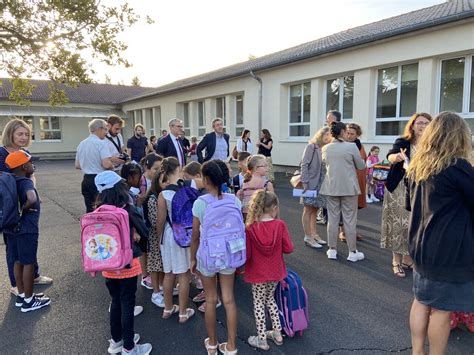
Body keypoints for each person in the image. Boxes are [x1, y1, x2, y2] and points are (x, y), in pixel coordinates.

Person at [405, 112, 474, 355]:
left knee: (422, 301)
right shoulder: (458, 167)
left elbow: (409, 204)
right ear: (460, 136)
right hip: (448, 249)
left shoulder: (418, 166)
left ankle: (416, 351)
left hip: (420, 245)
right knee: (442, 310)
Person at [93, 171, 152, 355]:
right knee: (128, 303)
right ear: (119, 187)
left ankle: (116, 341)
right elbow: (144, 231)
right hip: (127, 264)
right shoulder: (126, 207)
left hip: (108, 265)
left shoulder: (97, 210)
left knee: (116, 301)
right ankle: (129, 347)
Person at [190, 160, 241, 355]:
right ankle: (231, 346)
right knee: (229, 299)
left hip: (208, 256)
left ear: (206, 179)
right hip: (230, 254)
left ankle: (212, 344)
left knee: (211, 299)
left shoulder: (200, 203)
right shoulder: (234, 200)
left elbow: (195, 237)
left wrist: (193, 259)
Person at [0, 118, 52, 296]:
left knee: (29, 241)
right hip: (10, 207)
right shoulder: (1, 153)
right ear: (10, 133)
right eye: (19, 133)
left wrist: (34, 194)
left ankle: (33, 276)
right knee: (13, 245)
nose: (23, 137)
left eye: (26, 134)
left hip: (27, 205)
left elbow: (30, 177)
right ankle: (17, 284)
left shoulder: (25, 152)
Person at [381, 113, 432, 278]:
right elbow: (390, 156)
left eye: (426, 122)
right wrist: (397, 157)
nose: (422, 125)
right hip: (400, 188)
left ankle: (408, 259)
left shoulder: (433, 144)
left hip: (420, 189)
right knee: (399, 224)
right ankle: (397, 260)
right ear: (412, 125)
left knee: (414, 225)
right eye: (419, 123)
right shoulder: (403, 142)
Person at [244, 190, 294, 350]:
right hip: (275, 271)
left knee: (258, 302)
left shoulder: (251, 228)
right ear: (274, 207)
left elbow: (248, 254)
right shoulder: (280, 225)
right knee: (270, 300)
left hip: (257, 272)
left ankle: (262, 339)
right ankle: (277, 333)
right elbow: (289, 248)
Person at [4, 151, 51, 312]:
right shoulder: (25, 181)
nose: (33, 165)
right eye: (31, 163)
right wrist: (24, 210)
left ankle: (23, 295)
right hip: (26, 229)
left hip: (11, 227)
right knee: (28, 263)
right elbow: (31, 198)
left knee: (17, 261)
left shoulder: (9, 180)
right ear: (24, 166)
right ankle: (29, 302)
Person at [155, 157, 194, 323]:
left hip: (168, 236)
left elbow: (160, 221)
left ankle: (168, 308)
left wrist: (159, 239)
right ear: (179, 169)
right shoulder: (188, 188)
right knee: (184, 274)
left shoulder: (163, 194)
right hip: (183, 235)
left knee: (169, 273)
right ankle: (183, 312)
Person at [320, 122, 366, 262]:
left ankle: (332, 249)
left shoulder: (325, 148)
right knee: (349, 220)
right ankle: (352, 252)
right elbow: (361, 165)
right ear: (343, 132)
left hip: (332, 187)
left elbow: (324, 165)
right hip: (348, 188)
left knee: (332, 219)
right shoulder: (351, 146)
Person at [300, 127, 331, 249]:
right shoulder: (312, 146)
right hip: (311, 183)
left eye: (330, 135)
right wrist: (305, 182)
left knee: (315, 209)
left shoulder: (326, 149)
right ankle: (308, 236)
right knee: (308, 209)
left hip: (321, 184)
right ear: (320, 135)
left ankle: (314, 234)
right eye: (326, 134)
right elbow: (304, 164)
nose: (328, 137)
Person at [75, 119, 114, 213]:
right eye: (105, 130)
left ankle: (89, 227)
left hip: (86, 180)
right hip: (99, 180)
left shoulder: (82, 144)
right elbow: (106, 164)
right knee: (102, 210)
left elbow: (77, 165)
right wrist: (112, 166)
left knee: (90, 210)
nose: (106, 133)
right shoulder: (101, 143)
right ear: (99, 129)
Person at [143, 169, 165, 309]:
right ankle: (156, 292)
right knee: (155, 265)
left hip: (160, 236)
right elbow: (155, 221)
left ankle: (162, 288)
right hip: (155, 237)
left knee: (161, 264)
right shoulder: (152, 199)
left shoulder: (159, 196)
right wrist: (160, 238)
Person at [342, 122, 367, 242]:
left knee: (354, 208)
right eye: (348, 133)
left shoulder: (360, 146)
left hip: (358, 180)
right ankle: (343, 232)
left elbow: (364, 161)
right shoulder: (342, 145)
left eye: (352, 133)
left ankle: (352, 231)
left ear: (357, 135)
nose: (349, 135)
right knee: (345, 207)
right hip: (346, 180)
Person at [237, 154, 274, 221]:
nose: (267, 168)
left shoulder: (244, 183)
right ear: (256, 168)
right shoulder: (267, 184)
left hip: (246, 219)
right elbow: (273, 205)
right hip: (262, 219)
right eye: (264, 166)